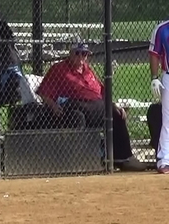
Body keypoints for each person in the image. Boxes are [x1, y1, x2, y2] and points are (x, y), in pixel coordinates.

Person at [37, 42, 146, 172]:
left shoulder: (87, 70)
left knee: (117, 114)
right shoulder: (59, 69)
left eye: (84, 54)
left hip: (96, 106)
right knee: (86, 112)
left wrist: (113, 105)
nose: (81, 57)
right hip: (73, 106)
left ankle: (123, 158)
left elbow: (102, 92)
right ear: (70, 53)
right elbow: (44, 92)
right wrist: (53, 106)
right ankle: (82, 161)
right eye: (77, 53)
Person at [149, 19, 169, 173]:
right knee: (167, 121)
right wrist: (155, 78)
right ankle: (164, 159)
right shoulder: (162, 29)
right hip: (168, 76)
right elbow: (154, 54)